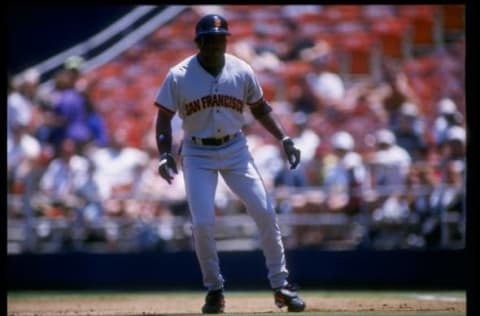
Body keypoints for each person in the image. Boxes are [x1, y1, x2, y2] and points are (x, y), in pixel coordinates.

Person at [153, 14, 306, 314]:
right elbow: (163, 117)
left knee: (264, 211)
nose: (215, 44)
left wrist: (284, 138)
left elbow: (261, 109)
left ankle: (281, 286)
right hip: (197, 152)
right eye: (209, 39)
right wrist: (164, 153)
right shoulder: (180, 74)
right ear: (199, 42)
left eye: (220, 39)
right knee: (203, 223)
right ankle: (214, 290)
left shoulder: (241, 69)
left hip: (235, 148)